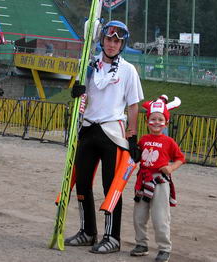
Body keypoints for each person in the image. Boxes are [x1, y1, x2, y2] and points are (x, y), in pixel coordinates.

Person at [64, 20, 144, 254]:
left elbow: (133, 105)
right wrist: (76, 91)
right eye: (109, 39)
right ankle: (87, 231)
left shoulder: (128, 70)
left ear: (122, 44)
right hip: (88, 128)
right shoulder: (88, 65)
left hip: (112, 132)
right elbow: (80, 95)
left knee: (111, 186)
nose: (111, 44)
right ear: (102, 40)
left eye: (117, 40)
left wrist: (132, 135)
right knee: (82, 183)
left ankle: (112, 237)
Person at [130, 96, 185, 262]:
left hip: (160, 181)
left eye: (160, 119)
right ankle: (141, 244)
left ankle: (164, 248)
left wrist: (171, 168)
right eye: (153, 119)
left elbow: (180, 158)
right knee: (139, 215)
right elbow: (136, 157)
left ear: (166, 123)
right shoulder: (143, 140)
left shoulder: (169, 141)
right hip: (143, 180)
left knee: (160, 217)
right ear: (147, 121)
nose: (156, 122)